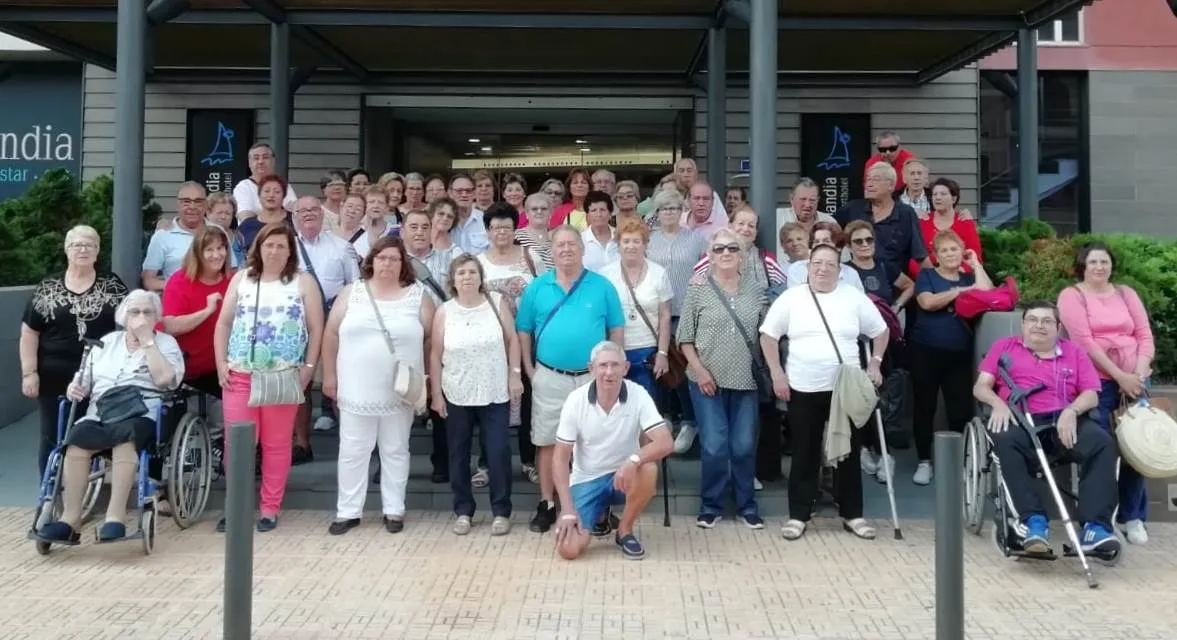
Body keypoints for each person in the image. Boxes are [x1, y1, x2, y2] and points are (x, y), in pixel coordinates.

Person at [760, 244, 889, 541]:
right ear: (808, 267)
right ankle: (798, 515)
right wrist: (777, 374)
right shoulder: (792, 298)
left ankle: (853, 514)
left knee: (848, 451)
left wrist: (875, 361)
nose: (822, 269)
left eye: (829, 264)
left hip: (845, 387)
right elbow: (768, 337)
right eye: (817, 263)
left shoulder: (852, 297)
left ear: (839, 270)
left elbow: (880, 331)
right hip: (803, 385)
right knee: (804, 451)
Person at [34, 289, 184, 544]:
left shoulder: (166, 344)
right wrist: (75, 387)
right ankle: (70, 519)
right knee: (77, 439)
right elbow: (83, 380)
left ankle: (115, 517)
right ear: (124, 316)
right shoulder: (107, 342)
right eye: (134, 312)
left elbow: (165, 379)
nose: (141, 317)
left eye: (147, 312)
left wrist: (148, 342)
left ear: (156, 317)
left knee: (126, 438)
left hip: (141, 411)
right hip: (100, 412)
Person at [973, 301, 1121, 556]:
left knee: (1102, 443)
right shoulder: (1004, 347)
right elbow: (981, 386)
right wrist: (997, 403)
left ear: (1058, 327)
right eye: (1032, 320)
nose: (1039, 326)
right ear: (1023, 324)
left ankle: (1095, 528)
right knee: (1005, 441)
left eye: (1047, 321)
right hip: (1019, 420)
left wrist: (1071, 411)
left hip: (1063, 422)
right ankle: (1032, 522)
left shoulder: (1074, 352)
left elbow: (1091, 394)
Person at [213, 222, 324, 533]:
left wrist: (309, 367)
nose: (274, 251)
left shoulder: (303, 282)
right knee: (239, 444)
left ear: (290, 251)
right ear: (258, 248)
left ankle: (269, 508)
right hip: (240, 374)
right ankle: (236, 507)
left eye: (281, 246)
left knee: (276, 444)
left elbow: (316, 327)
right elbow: (223, 323)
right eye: (269, 245)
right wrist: (220, 362)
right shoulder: (242, 278)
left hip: (283, 375)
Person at [322, 235, 434, 536]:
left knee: (396, 449)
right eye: (382, 257)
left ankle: (394, 509)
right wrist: (329, 376)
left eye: (394, 258)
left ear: (403, 263)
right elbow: (331, 334)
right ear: (371, 260)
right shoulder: (352, 292)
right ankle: (348, 511)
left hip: (400, 389)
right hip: (355, 386)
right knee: (353, 449)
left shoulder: (418, 295)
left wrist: (425, 377)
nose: (387, 263)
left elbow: (431, 339)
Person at [515, 226, 625, 534]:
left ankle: (595, 506)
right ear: (552, 250)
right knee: (548, 441)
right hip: (550, 376)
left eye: (572, 244)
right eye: (560, 245)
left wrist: (614, 369)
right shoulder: (538, 287)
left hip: (593, 378)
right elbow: (524, 330)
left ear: (582, 248)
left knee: (595, 442)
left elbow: (616, 329)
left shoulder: (601, 286)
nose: (566, 249)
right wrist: (529, 369)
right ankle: (547, 503)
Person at [1058, 242, 1154, 545]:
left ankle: (1132, 516)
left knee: (1137, 449)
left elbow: (1144, 336)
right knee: (1102, 451)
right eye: (1093, 262)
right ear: (1082, 266)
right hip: (1096, 384)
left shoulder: (1126, 294)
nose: (1099, 267)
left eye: (1104, 261)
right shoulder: (1072, 296)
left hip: (1135, 381)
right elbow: (1084, 342)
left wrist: (1137, 375)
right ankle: (1101, 520)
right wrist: (1120, 376)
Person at [677, 228, 768, 529]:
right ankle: (711, 505)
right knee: (715, 445)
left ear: (742, 255)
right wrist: (700, 371)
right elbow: (684, 338)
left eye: (732, 248)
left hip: (745, 380)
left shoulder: (757, 290)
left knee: (743, 445)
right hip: (706, 379)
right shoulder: (698, 288)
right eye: (719, 249)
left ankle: (747, 506)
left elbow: (767, 333)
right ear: (710, 256)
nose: (726, 253)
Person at [21, 225, 128, 477]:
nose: (83, 249)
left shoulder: (111, 284)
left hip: (97, 372)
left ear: (97, 251)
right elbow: (29, 332)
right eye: (77, 245)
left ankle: (80, 487)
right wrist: (29, 373)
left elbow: (130, 320)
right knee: (51, 434)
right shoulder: (48, 287)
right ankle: (49, 489)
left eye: (89, 245)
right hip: (53, 373)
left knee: (85, 432)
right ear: (67, 250)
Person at [552, 341, 673, 561]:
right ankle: (599, 513)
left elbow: (665, 442)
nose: (609, 372)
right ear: (591, 369)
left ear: (626, 368)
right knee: (568, 549)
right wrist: (567, 510)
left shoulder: (638, 394)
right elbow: (560, 458)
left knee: (648, 468)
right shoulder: (575, 400)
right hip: (586, 479)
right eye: (603, 365)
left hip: (624, 476)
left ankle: (624, 530)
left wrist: (633, 461)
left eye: (615, 365)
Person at [430, 255, 522, 536]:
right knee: (458, 454)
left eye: (472, 272)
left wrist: (515, 374)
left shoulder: (496, 302)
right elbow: (434, 354)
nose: (467, 277)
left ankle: (501, 511)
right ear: (453, 280)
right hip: (457, 392)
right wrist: (436, 393)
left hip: (494, 390)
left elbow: (513, 339)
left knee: (498, 452)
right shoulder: (445, 311)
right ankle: (463, 510)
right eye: (461, 273)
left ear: (481, 277)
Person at [909, 230, 994, 485]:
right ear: (936, 255)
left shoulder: (969, 276)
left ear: (962, 251)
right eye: (944, 250)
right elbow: (927, 302)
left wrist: (975, 264)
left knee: (960, 410)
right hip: (925, 351)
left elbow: (988, 292)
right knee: (925, 407)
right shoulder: (927, 276)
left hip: (958, 353)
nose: (949, 254)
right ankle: (924, 461)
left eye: (954, 249)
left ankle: (959, 461)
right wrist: (961, 291)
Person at [478, 202, 547, 484]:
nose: (501, 233)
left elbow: (546, 293)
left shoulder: (531, 257)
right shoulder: (478, 262)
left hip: (529, 341)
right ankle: (487, 464)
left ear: (515, 229)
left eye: (507, 227)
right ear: (487, 231)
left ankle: (529, 461)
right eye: (495, 228)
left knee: (529, 402)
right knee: (490, 404)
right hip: (490, 344)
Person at [292, 195, 361, 449]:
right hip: (297, 322)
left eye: (314, 209)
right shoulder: (286, 247)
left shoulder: (342, 247)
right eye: (303, 211)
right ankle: (301, 444)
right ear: (294, 216)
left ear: (323, 215)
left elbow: (355, 288)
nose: (309, 214)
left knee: (341, 380)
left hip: (335, 319)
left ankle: (353, 442)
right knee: (300, 382)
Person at [161, 225, 233, 462]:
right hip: (185, 367)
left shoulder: (232, 282)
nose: (216, 254)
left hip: (220, 367)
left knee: (227, 419)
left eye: (220, 248)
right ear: (197, 253)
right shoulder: (180, 281)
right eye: (209, 250)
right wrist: (207, 311)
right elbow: (170, 325)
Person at [646, 187, 707, 454]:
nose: (669, 213)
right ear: (657, 213)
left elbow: (706, 272)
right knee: (660, 368)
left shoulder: (696, 239)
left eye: (673, 208)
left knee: (682, 370)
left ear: (682, 211)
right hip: (655, 313)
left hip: (686, 312)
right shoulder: (649, 240)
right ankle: (665, 418)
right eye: (664, 209)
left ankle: (689, 421)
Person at [599, 218, 674, 396]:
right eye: (626, 241)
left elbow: (665, 316)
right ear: (618, 244)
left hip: (648, 351)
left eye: (636, 241)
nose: (631, 246)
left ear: (645, 244)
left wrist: (662, 353)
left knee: (647, 405)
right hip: (615, 350)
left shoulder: (658, 273)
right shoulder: (605, 274)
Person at [834, 162, 929, 281]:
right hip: (855, 282)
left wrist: (936, 284)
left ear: (891, 185)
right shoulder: (852, 209)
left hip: (894, 284)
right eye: (867, 180)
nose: (869, 184)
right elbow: (829, 233)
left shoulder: (906, 214)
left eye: (875, 180)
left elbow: (920, 256)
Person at [142, 182, 211, 290]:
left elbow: (231, 273)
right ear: (178, 204)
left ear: (206, 205)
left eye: (198, 201)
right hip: (178, 296)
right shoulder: (163, 236)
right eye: (186, 202)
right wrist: (179, 287)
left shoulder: (218, 232)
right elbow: (148, 280)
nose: (192, 206)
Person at [785, 222, 864, 291]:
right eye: (816, 241)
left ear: (839, 247)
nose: (820, 245)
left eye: (826, 241)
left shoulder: (851, 274)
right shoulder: (797, 269)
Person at [232, 143, 297, 216]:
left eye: (265, 157)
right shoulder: (243, 187)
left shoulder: (285, 186)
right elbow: (245, 217)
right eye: (256, 158)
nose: (260, 162)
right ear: (249, 163)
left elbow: (296, 214)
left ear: (273, 160)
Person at [238, 174, 295, 251]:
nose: (271, 195)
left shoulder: (295, 221)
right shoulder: (246, 226)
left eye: (277, 192)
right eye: (267, 191)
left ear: (284, 196)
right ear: (259, 195)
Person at [581, 190, 619, 272]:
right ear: (587, 215)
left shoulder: (621, 236)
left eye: (602, 210)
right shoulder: (580, 240)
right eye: (593, 210)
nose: (598, 214)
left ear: (610, 214)